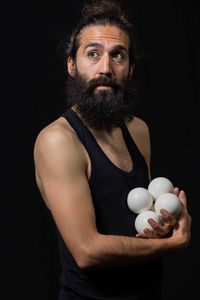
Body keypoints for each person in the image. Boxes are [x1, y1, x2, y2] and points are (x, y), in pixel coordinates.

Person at [33, 0, 192, 299]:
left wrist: (164, 224)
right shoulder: (58, 140)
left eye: (117, 55)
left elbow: (134, 218)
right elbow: (87, 252)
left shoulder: (139, 130)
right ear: (71, 65)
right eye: (93, 54)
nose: (105, 68)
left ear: (130, 68)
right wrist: (172, 244)